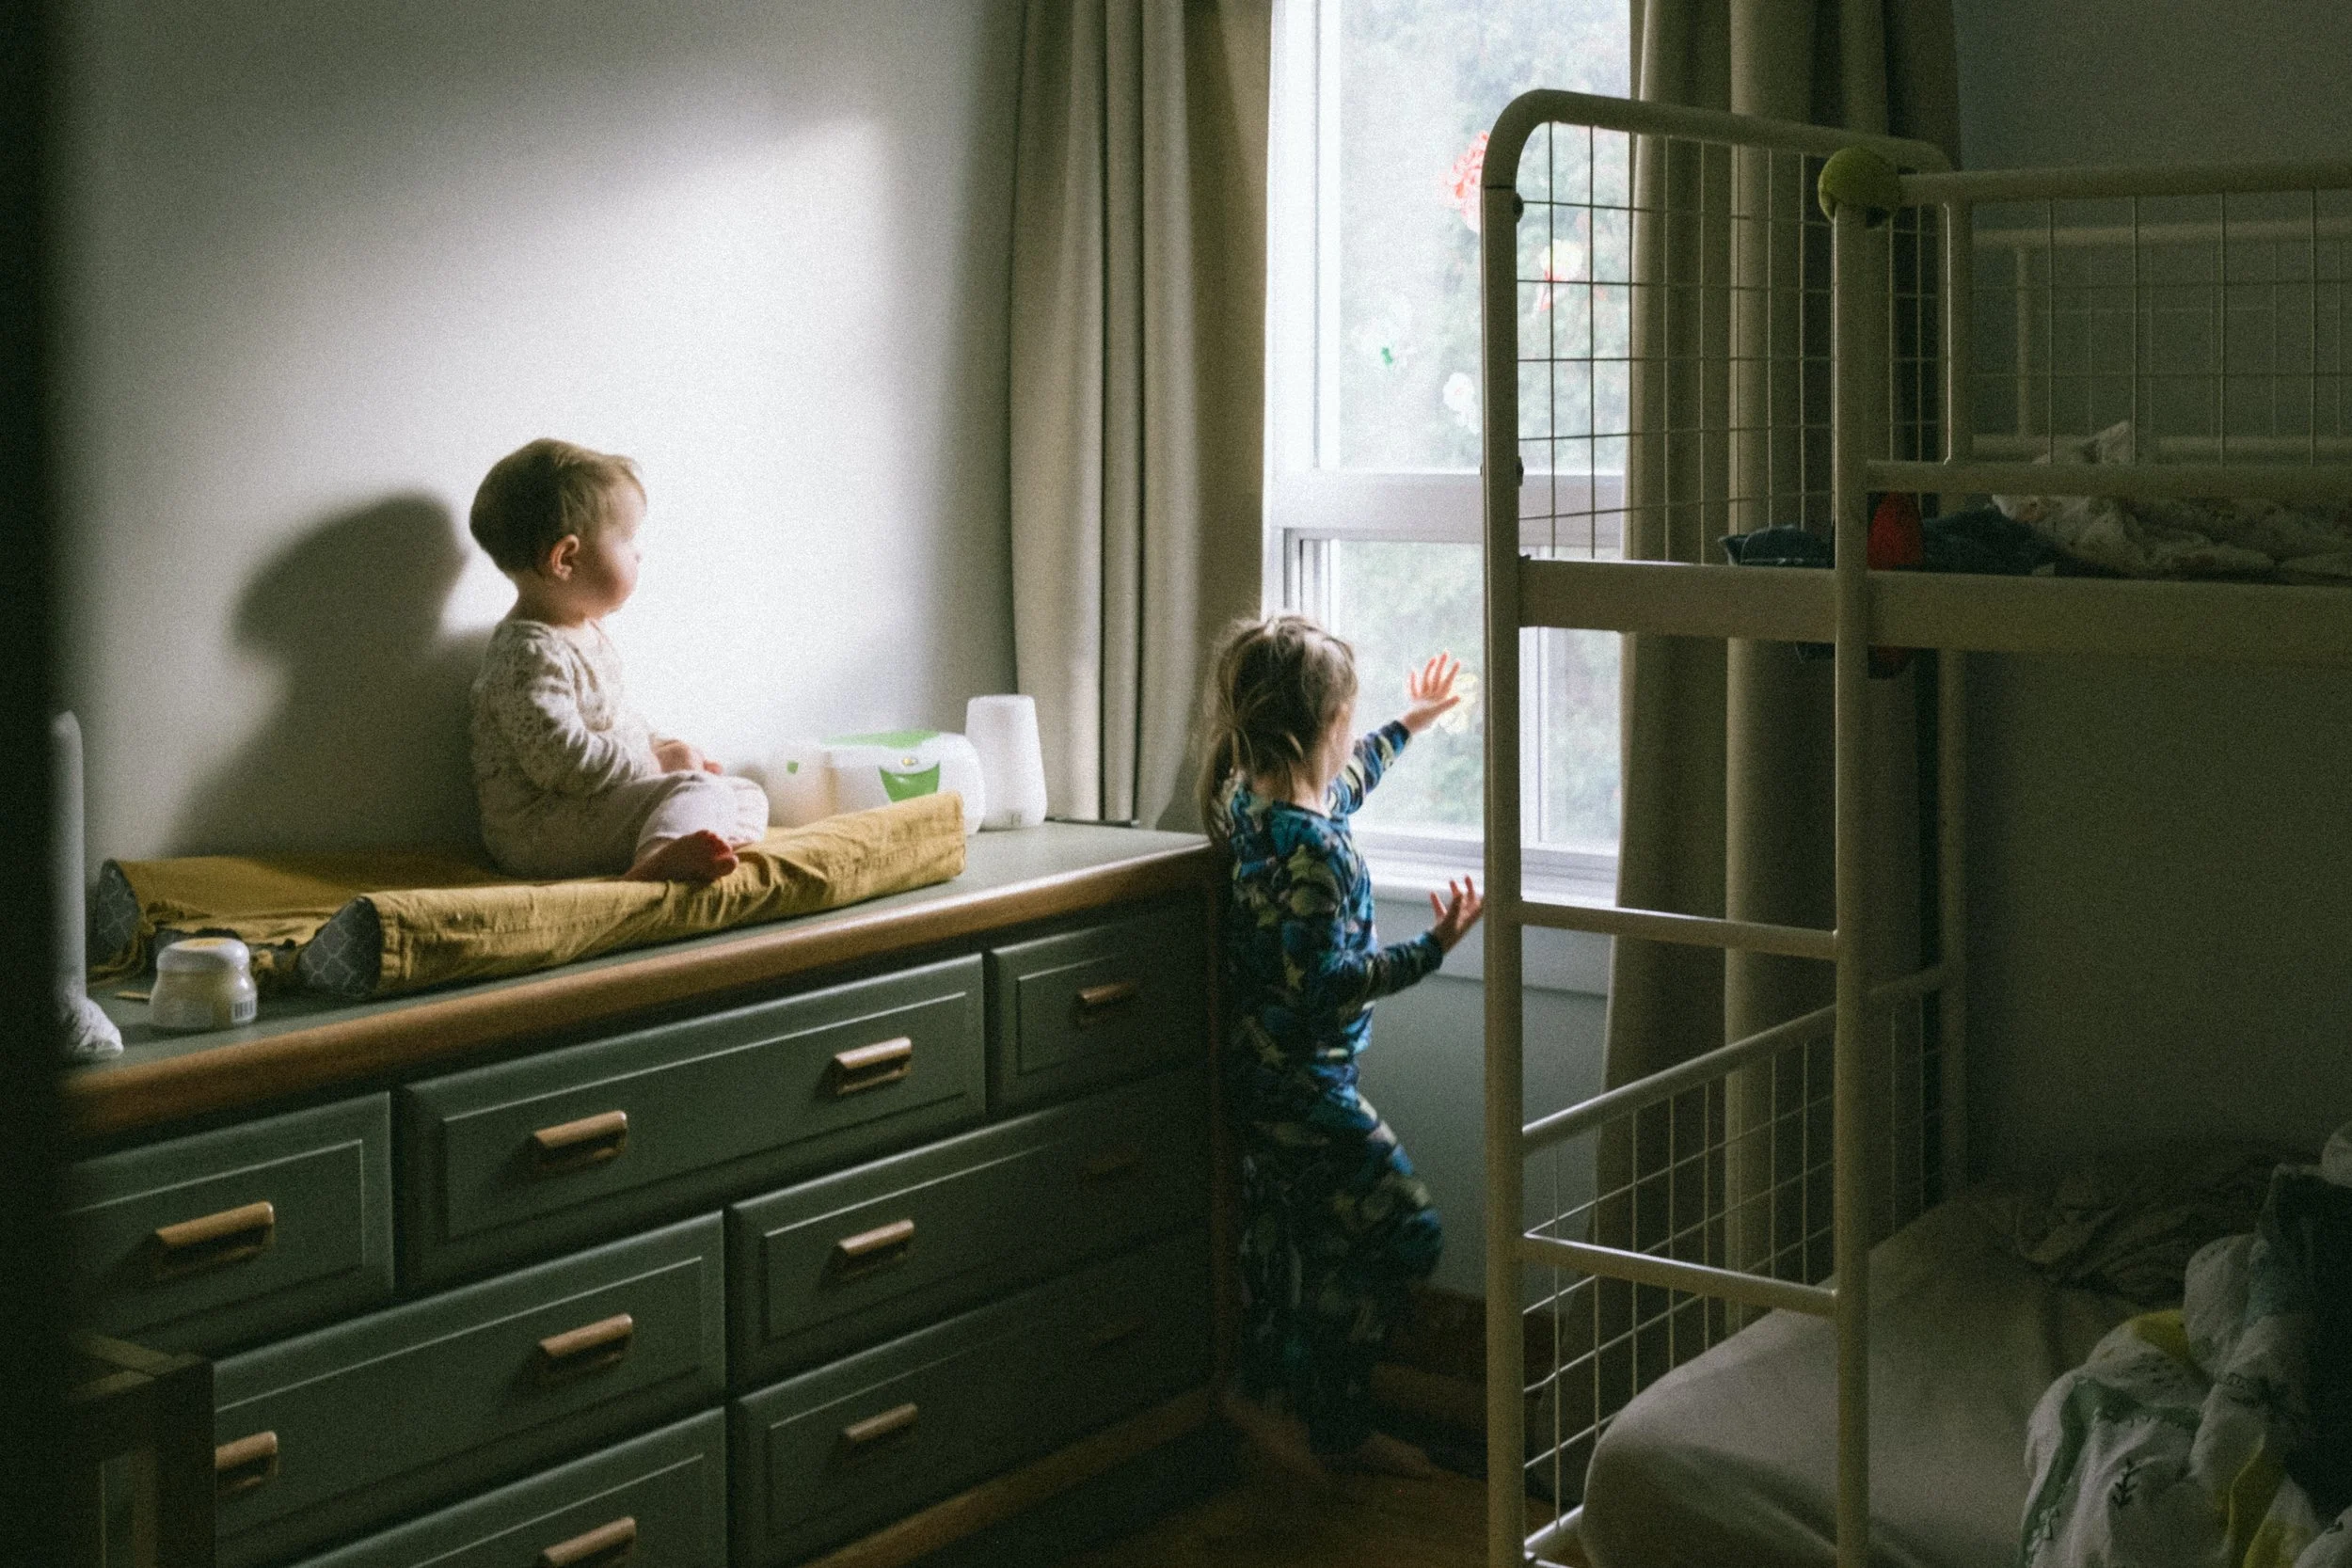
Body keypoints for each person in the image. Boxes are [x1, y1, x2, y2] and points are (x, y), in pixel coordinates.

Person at [1195, 612, 1485, 1480]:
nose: (1354, 734)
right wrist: (1431, 950)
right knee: (1407, 1233)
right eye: (1351, 717)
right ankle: (1309, 1408)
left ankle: (1317, 1415)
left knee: (1302, 1249)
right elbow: (1322, 982)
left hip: (1265, 1078)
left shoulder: (1252, 808)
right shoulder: (1315, 852)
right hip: (1300, 1087)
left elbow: (1348, 781)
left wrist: (1414, 722)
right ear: (1323, 724)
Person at [467, 438, 768, 883]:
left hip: (590, 809)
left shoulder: (583, 632)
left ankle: (689, 839)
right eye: (626, 539)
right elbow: (563, 762)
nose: (638, 552)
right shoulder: (526, 653)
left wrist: (664, 746)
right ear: (565, 558)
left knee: (744, 792)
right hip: (538, 831)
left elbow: (618, 721)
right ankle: (653, 868)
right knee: (696, 791)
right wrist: (657, 764)